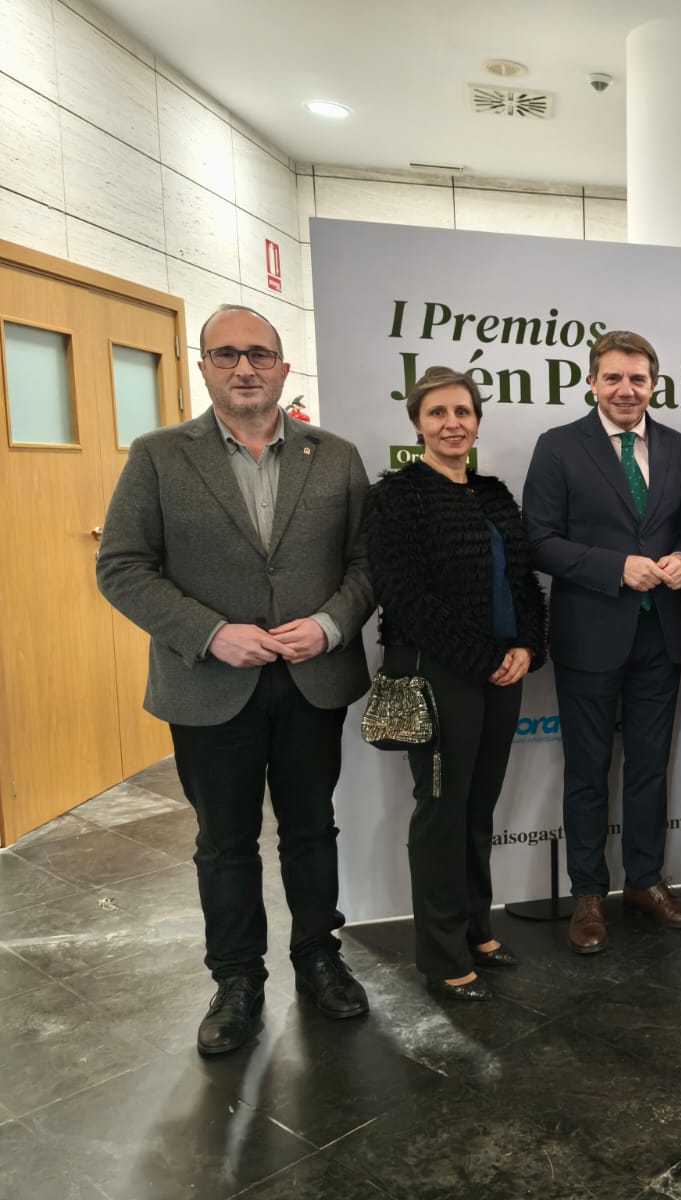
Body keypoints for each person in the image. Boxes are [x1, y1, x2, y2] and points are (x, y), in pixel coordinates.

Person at [96, 304, 374, 1056]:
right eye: (226, 355)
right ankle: (237, 981)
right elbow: (120, 567)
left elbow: (367, 563)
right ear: (204, 366)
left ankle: (319, 958)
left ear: (285, 368)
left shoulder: (336, 455)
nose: (244, 368)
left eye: (259, 354)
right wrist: (210, 634)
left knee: (313, 829)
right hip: (207, 686)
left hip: (313, 679)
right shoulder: (158, 456)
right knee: (225, 842)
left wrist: (331, 624)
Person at [365, 366, 548, 998]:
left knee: (477, 806)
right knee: (442, 811)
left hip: (503, 671)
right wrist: (481, 656)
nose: (452, 424)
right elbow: (404, 596)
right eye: (438, 413)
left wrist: (526, 645)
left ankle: (474, 925)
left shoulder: (494, 493)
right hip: (437, 674)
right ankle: (441, 955)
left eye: (463, 413)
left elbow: (522, 582)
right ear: (417, 422)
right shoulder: (398, 496)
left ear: (477, 421)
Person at [522, 330, 681, 954]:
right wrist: (613, 566)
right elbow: (539, 539)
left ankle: (645, 882)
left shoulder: (679, 448)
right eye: (614, 378)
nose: (627, 390)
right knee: (588, 772)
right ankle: (589, 894)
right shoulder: (558, 446)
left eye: (639, 379)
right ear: (592, 382)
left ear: (655, 383)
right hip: (590, 635)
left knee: (651, 768)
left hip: (662, 633)